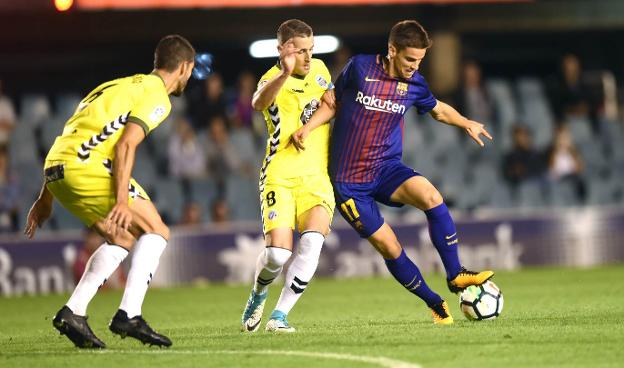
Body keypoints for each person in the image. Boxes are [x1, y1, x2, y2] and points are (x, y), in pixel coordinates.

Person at [291, 20, 494, 325]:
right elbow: (331, 101)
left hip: (386, 167)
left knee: (431, 196)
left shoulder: (415, 85)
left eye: (420, 60)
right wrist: (308, 128)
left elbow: (437, 109)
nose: (415, 66)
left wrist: (466, 122)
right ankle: (434, 301)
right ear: (392, 50)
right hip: (350, 185)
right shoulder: (359, 68)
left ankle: (456, 275)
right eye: (410, 58)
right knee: (390, 246)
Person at [24, 35, 196, 348]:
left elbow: (71, 135)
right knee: (156, 230)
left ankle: (73, 312)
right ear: (184, 67)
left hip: (57, 168)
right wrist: (121, 201)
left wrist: (45, 196)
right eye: (191, 70)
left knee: (121, 237)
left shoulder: (114, 86)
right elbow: (126, 144)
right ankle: (129, 315)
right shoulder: (158, 96)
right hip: (87, 167)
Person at [240, 19, 335, 333]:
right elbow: (258, 103)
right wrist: (283, 72)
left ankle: (279, 317)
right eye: (300, 51)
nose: (308, 58)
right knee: (277, 255)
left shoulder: (320, 70)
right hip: (279, 176)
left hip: (316, 177)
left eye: (311, 50)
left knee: (312, 243)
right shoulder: (272, 80)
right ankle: (258, 292)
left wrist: (307, 128)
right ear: (282, 51)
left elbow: (331, 104)